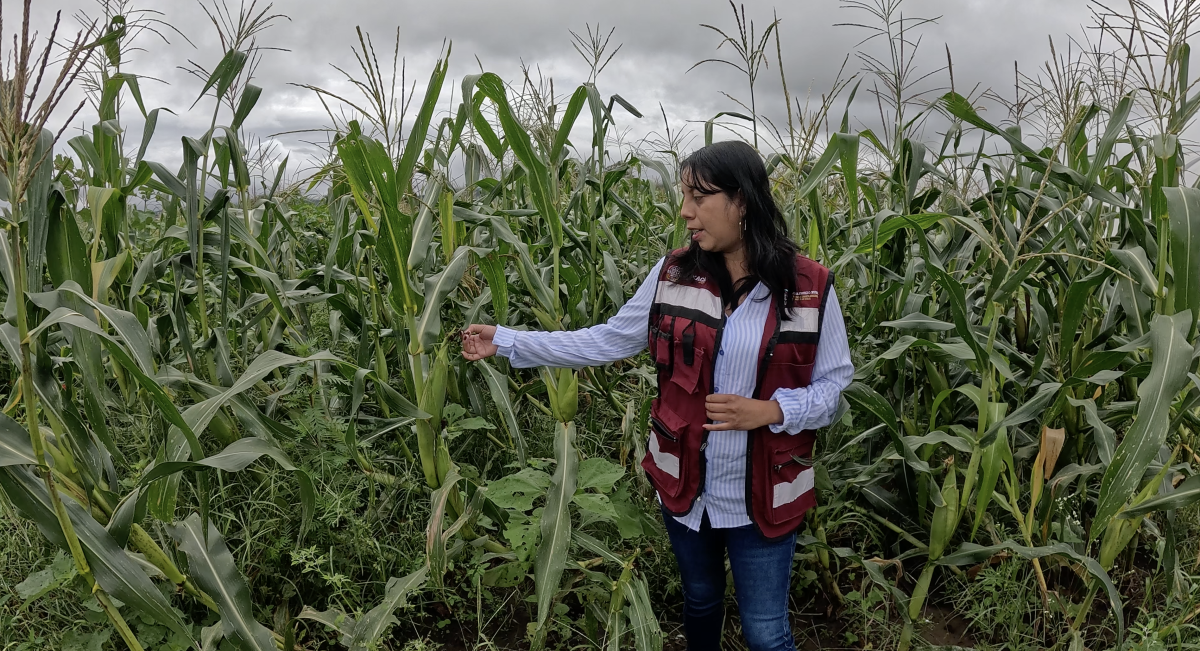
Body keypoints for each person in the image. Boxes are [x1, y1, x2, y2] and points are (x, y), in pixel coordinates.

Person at [461, 140, 853, 651]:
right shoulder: (673, 274)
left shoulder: (810, 287)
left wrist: (773, 410)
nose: (686, 212)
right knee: (701, 601)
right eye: (684, 195)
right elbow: (605, 339)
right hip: (686, 484)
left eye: (700, 197)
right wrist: (508, 340)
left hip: (765, 493)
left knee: (765, 631)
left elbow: (834, 386)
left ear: (743, 201)